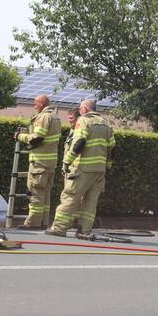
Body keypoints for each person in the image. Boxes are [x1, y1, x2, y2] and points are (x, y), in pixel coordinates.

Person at [46, 98, 115, 238]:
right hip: (99, 171)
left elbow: (79, 142)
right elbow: (112, 147)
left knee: (69, 197)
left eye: (80, 108)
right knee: (90, 201)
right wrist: (107, 165)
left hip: (83, 168)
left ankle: (59, 229)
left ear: (84, 109)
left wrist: (66, 162)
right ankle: (84, 231)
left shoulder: (83, 121)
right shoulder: (106, 124)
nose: (79, 110)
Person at [15, 94, 62, 230]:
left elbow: (37, 138)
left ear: (41, 104)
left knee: (35, 192)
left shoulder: (43, 117)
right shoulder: (56, 117)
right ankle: (43, 222)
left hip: (40, 162)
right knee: (46, 193)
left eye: (35, 103)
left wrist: (20, 136)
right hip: (51, 162)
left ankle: (33, 222)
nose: (34, 106)